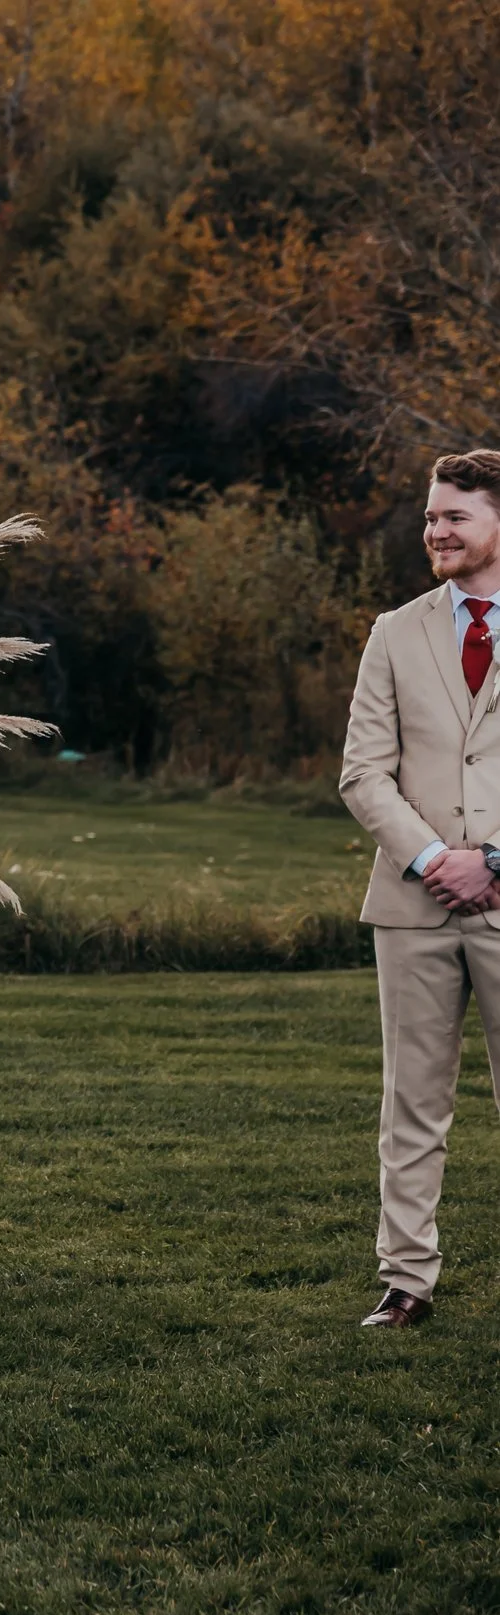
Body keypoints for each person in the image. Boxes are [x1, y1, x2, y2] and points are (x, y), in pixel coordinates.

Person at [339, 448, 500, 1329]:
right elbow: (362, 774)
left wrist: (495, 860)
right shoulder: (393, 632)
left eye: (455, 517)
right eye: (432, 517)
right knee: (413, 1104)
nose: (435, 530)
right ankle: (406, 1283)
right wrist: (437, 857)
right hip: (413, 904)